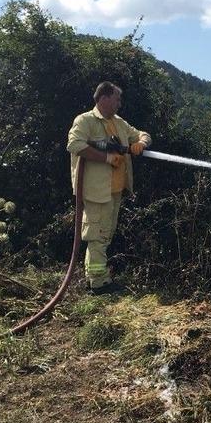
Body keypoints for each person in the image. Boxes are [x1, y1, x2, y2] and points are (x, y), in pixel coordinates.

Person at [66, 81, 151, 294]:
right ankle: (98, 283)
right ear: (104, 98)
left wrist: (141, 143)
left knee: (105, 235)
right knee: (98, 235)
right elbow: (74, 145)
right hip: (96, 192)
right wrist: (106, 158)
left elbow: (142, 134)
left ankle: (95, 277)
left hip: (115, 191)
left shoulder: (119, 122)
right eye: (117, 99)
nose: (119, 104)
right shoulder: (85, 120)